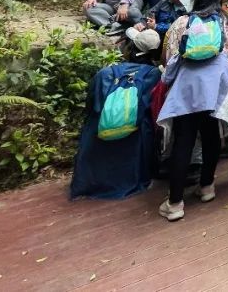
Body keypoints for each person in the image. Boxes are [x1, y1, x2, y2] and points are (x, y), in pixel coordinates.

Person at [156, 0, 228, 221]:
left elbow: (171, 55)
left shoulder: (183, 22)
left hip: (187, 90)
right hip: (214, 89)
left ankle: (175, 202)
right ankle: (207, 187)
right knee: (211, 138)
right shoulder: (224, 22)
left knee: (183, 142)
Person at [69, 36, 161, 201]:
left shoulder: (105, 73)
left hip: (99, 138)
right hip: (134, 138)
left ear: (130, 50)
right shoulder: (153, 75)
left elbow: (91, 107)